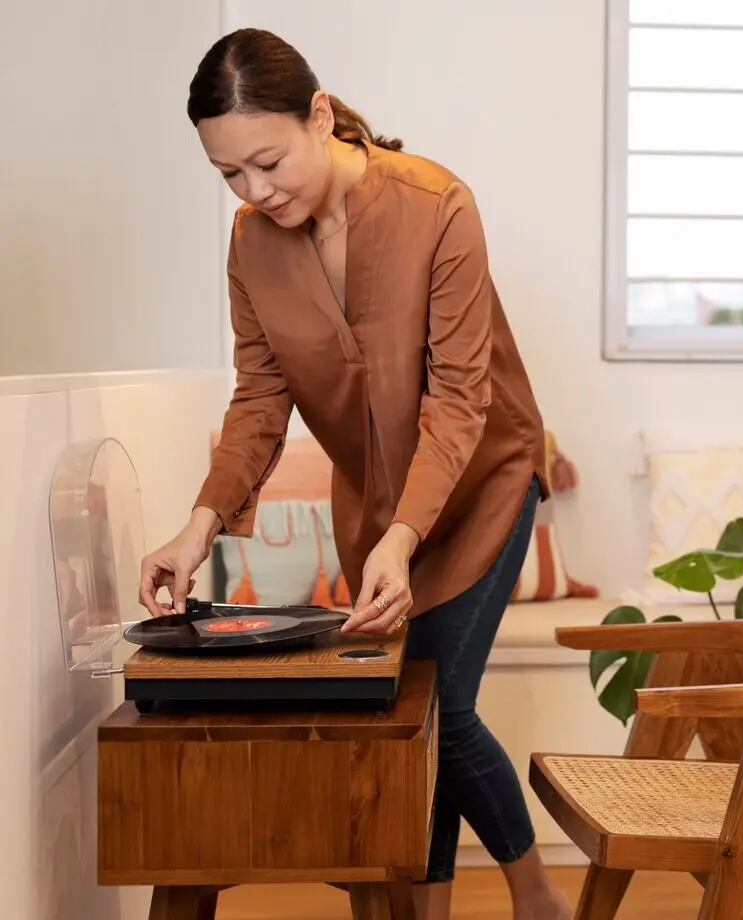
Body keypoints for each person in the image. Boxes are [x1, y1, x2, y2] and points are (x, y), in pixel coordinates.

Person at [135, 27, 572, 920]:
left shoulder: (438, 205)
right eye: (230, 176)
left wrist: (405, 539)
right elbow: (260, 401)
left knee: (440, 701)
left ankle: (534, 894)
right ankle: (432, 905)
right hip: (377, 504)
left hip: (483, 481)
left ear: (320, 115)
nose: (255, 193)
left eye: (267, 162)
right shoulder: (252, 243)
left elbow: (459, 401)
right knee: (408, 707)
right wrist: (198, 525)